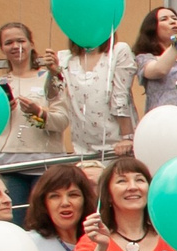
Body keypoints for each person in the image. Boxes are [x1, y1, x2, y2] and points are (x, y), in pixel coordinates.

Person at [0, 23, 71, 205]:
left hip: (47, 165)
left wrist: (39, 112)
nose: (16, 46)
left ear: (31, 44)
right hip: (10, 165)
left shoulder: (50, 77)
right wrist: (1, 113)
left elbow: (62, 121)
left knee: (42, 223)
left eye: (21, 41)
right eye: (9, 43)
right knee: (14, 220)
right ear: (2, 48)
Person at [55, 27, 138, 164]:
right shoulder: (66, 58)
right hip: (83, 149)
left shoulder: (117, 51)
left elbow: (120, 96)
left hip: (116, 147)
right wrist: (53, 72)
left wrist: (127, 137)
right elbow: (54, 96)